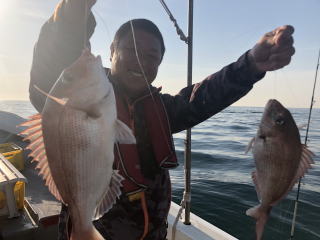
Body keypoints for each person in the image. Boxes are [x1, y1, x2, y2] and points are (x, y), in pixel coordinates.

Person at [29, 0, 295, 239]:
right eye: (130, 49)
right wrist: (74, 11)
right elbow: (50, 70)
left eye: (151, 56)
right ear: (111, 50)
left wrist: (250, 65)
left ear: (159, 64)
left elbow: (205, 96)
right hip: (94, 229)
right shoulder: (71, 96)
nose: (140, 61)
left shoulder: (163, 110)